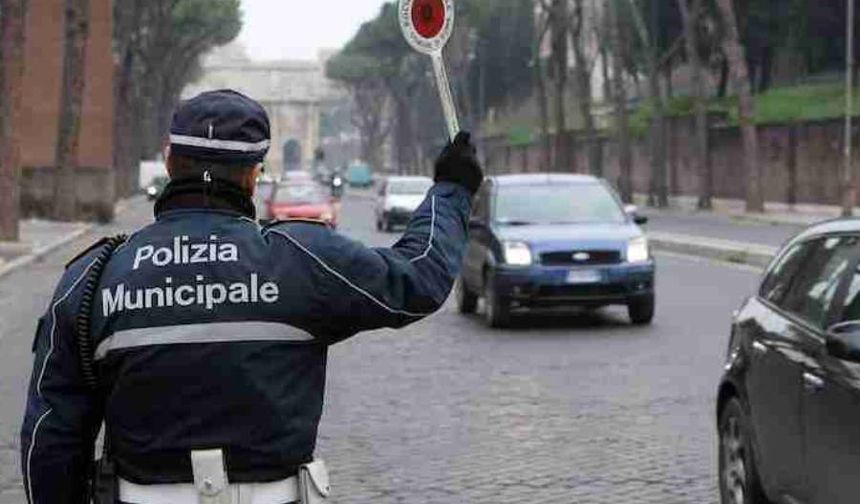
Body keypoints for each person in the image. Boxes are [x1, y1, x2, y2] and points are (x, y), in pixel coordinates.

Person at [20, 89, 483, 504]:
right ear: (254, 175)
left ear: (168, 162)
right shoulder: (303, 258)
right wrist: (452, 190)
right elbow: (418, 276)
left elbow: (51, 436)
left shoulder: (93, 276)